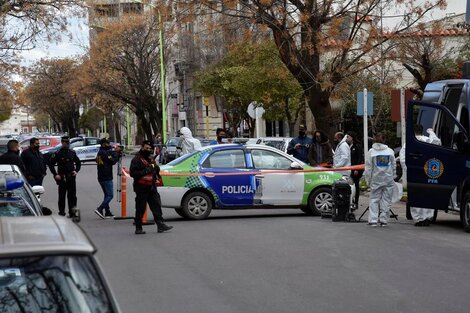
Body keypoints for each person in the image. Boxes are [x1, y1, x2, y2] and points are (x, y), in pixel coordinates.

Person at [130, 140, 173, 234]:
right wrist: (147, 170)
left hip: (152, 186)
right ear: (142, 147)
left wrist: (156, 170)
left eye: (150, 148)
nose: (148, 150)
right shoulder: (136, 159)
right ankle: (138, 228)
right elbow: (133, 174)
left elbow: (154, 168)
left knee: (156, 205)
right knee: (140, 207)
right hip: (141, 187)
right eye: (146, 148)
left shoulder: (150, 158)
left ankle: (160, 225)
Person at [401, 127, 441, 226]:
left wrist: (407, 172)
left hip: (414, 172)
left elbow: (403, 160)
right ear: (422, 131)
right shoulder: (427, 140)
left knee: (415, 195)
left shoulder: (408, 144)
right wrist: (431, 132)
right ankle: (427, 217)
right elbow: (437, 142)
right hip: (427, 172)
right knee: (427, 194)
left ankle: (419, 219)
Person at [364, 132, 396, 227]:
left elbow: (368, 168)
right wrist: (393, 176)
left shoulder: (371, 152)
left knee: (374, 199)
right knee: (386, 200)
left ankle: (373, 220)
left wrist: (367, 180)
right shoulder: (390, 151)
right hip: (388, 179)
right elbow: (393, 165)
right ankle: (384, 220)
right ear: (384, 140)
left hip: (376, 179)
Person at [48, 136, 81, 217]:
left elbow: (78, 163)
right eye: (65, 143)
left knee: (72, 196)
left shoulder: (72, 152)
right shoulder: (57, 153)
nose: (66, 144)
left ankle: (72, 212)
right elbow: (51, 164)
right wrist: (55, 174)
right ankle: (61, 212)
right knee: (62, 196)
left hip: (71, 177)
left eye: (68, 143)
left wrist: (76, 171)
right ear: (62, 143)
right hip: (62, 177)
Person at [95, 138, 122, 219]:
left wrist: (115, 152)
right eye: (107, 143)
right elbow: (113, 161)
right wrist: (117, 153)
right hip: (106, 177)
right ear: (103, 144)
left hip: (101, 176)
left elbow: (109, 156)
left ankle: (107, 212)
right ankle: (100, 209)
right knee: (110, 195)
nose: (109, 145)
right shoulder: (104, 153)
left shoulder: (100, 152)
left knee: (106, 194)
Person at [347, 131, 364, 208]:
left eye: (349, 137)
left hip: (356, 169)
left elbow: (359, 158)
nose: (347, 138)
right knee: (352, 185)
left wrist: (357, 169)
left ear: (352, 137)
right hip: (352, 168)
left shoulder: (357, 146)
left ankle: (356, 202)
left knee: (356, 185)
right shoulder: (351, 146)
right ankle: (352, 200)